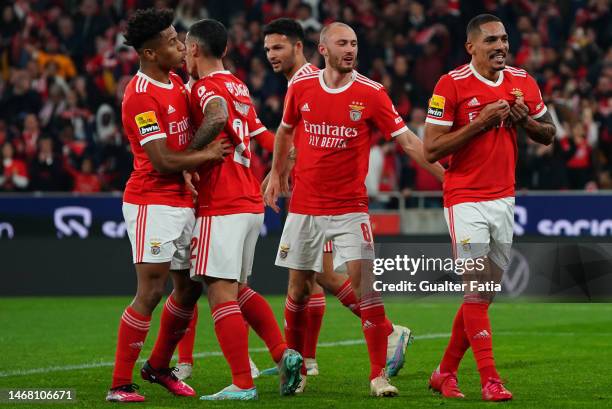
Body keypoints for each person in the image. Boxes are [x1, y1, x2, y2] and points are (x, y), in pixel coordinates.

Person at [264, 22, 444, 397]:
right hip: (306, 207)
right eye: (342, 43)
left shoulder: (372, 93)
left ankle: (379, 376)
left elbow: (408, 142)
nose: (350, 49)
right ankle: (294, 369)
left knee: (368, 290)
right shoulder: (301, 86)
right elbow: (284, 131)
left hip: (350, 209)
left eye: (354, 44)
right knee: (297, 290)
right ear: (323, 49)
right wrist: (277, 174)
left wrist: (447, 176)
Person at [423, 14, 555, 402]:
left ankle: (443, 373)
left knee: (483, 297)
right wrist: (480, 123)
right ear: (471, 47)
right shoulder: (451, 84)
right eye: (492, 40)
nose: (500, 46)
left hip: (504, 198)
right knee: (477, 288)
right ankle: (490, 379)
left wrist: (524, 123)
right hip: (464, 197)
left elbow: (548, 135)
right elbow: (431, 148)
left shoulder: (523, 81)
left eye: (504, 39)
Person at [106, 8, 230, 403]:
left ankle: (158, 367)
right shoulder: (139, 96)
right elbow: (161, 160)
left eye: (180, 39)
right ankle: (120, 384)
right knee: (151, 290)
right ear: (149, 53)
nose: (181, 46)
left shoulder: (177, 82)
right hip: (151, 203)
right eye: (172, 41)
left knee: (190, 288)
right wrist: (207, 156)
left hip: (181, 202)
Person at [184, 18, 302, 401]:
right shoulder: (237, 84)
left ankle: (242, 382)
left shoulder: (204, 88)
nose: (185, 55)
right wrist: (286, 157)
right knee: (239, 288)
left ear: (195, 50)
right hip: (250, 201)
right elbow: (260, 134)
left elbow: (217, 116)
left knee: (218, 292)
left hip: (222, 202)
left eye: (186, 49)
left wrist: (188, 158)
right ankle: (283, 354)